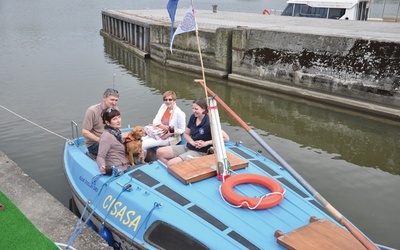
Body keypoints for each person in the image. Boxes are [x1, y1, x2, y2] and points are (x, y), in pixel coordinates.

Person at [156, 98, 229, 167]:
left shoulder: (210, 122)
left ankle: (178, 168)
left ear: (203, 109)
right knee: (159, 152)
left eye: (196, 109)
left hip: (200, 151)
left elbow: (226, 138)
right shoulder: (193, 117)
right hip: (188, 146)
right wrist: (192, 143)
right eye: (193, 108)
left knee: (170, 163)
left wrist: (206, 143)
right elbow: (186, 134)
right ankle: (173, 170)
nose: (193, 111)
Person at [142, 90, 186, 158]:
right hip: (159, 132)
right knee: (140, 140)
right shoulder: (163, 106)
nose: (167, 102)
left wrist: (168, 134)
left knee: (142, 145)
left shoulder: (179, 113)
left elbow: (182, 129)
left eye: (170, 99)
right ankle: (144, 158)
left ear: (174, 100)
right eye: (165, 100)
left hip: (168, 137)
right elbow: (155, 120)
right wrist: (162, 126)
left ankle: (143, 162)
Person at [82, 88, 119, 158]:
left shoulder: (115, 109)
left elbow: (116, 127)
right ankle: (92, 154)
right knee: (115, 154)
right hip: (95, 142)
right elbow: (85, 132)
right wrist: (101, 141)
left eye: (116, 100)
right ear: (104, 98)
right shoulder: (92, 111)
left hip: (110, 138)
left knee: (127, 147)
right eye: (112, 100)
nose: (114, 103)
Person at [96, 108, 130, 174]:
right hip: (119, 170)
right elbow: (100, 156)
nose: (118, 121)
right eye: (114, 119)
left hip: (125, 166)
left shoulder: (116, 133)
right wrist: (102, 167)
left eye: (119, 117)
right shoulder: (107, 136)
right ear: (107, 122)